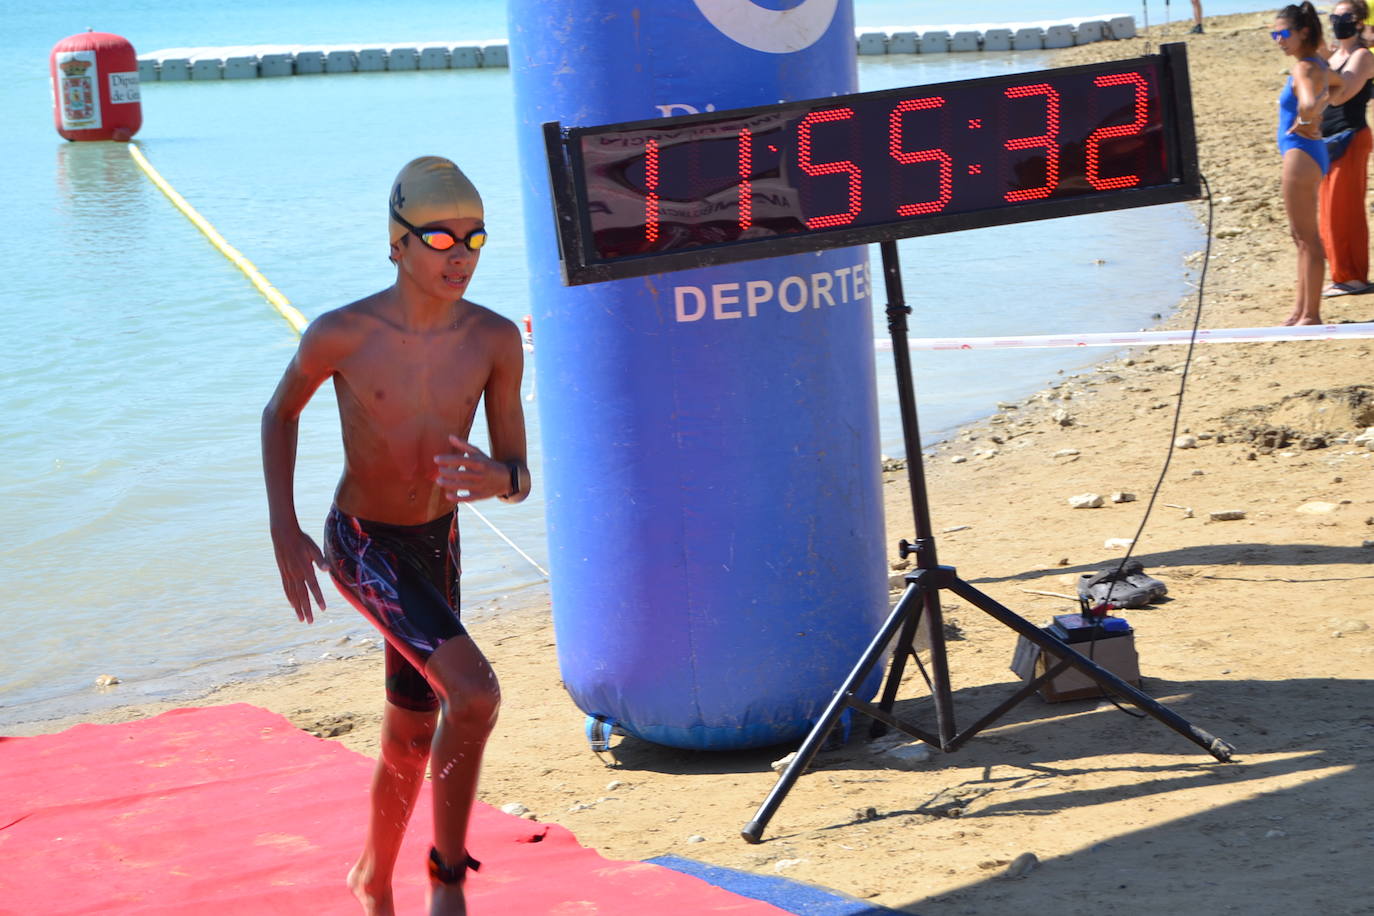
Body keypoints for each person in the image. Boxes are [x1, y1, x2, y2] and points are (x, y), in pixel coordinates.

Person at [262, 155, 529, 916]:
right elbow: (279, 413)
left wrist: (498, 478)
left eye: (476, 239)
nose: (461, 255)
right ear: (397, 243)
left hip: (435, 548)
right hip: (361, 543)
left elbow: (518, 472)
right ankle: (447, 883)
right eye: (441, 238)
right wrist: (285, 528)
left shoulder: (495, 340)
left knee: (414, 736)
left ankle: (372, 878)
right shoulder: (343, 334)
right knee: (474, 696)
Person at [1272, 3, 1344, 326]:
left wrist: (1305, 118)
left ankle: (1311, 314)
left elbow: (1306, 103)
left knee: (1306, 237)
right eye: (1274, 34)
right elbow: (1339, 83)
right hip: (1311, 153)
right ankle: (1300, 311)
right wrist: (1321, 106)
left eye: (1284, 33)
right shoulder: (1317, 63)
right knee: (1301, 236)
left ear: (1303, 32)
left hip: (1301, 153)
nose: (1278, 40)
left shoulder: (1303, 67)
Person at [1319, 0, 1374, 298]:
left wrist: (1318, 66)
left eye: (1345, 16)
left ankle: (1353, 277)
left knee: (1345, 211)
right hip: (1325, 140)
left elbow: (1339, 97)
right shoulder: (1334, 55)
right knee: (1328, 214)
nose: (1338, 21)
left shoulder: (1362, 56)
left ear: (1358, 21)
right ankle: (1340, 274)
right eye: (1334, 16)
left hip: (1350, 137)